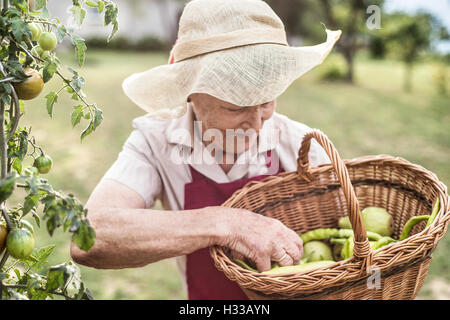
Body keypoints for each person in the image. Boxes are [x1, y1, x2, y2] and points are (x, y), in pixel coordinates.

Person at [70, 0, 341, 300]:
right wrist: (224, 223)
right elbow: (88, 238)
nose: (256, 122)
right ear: (189, 89)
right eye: (236, 107)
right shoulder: (155, 141)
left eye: (266, 101)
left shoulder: (302, 145)